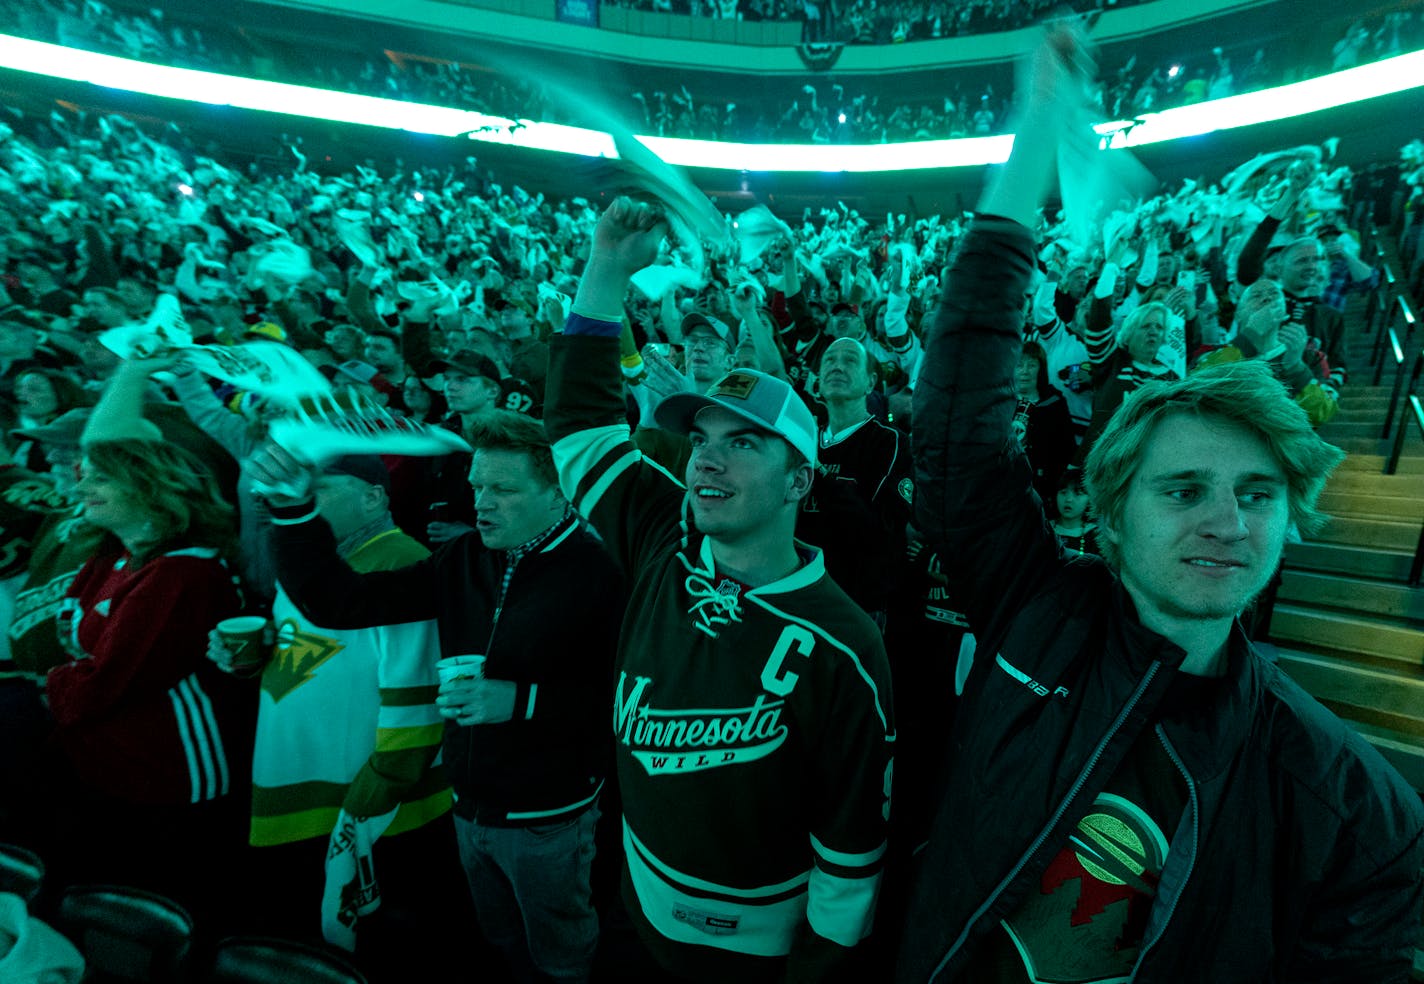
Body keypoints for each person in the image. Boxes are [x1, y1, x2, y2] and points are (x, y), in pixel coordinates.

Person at [898, 25, 1424, 983]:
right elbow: (957, 421)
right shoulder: (1034, 616)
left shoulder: (1348, 802)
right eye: (1184, 489)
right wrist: (1034, 138)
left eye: (1258, 494)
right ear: (1109, 514)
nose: (1228, 520)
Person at [544, 197, 894, 981]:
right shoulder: (662, 532)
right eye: (700, 439)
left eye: (742, 443)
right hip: (635, 909)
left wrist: (818, 963)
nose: (706, 460)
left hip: (761, 954)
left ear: (799, 478)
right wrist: (604, 271)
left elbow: (852, 837)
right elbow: (575, 430)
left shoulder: (846, 641)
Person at [248, 410, 622, 984]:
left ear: (558, 493)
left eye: (503, 489)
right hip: (466, 802)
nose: (483, 503)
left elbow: (630, 703)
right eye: (477, 486)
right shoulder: (464, 557)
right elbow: (340, 604)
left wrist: (522, 701)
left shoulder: (601, 572)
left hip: (550, 814)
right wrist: (294, 512)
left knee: (560, 949)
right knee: (499, 939)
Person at [207, 455, 451, 969]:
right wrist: (252, 657)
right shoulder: (313, 559)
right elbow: (310, 653)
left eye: (323, 489)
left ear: (374, 497)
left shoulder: (400, 560)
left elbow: (418, 691)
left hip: (361, 800)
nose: (305, 501)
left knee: (372, 941)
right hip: (297, 778)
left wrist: (379, 790)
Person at [798, 336, 913, 622]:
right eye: (829, 361)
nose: (837, 367)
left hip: (856, 606)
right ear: (818, 381)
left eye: (850, 360)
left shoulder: (892, 443)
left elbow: (879, 532)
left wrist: (817, 473)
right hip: (796, 594)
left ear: (871, 382)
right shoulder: (802, 440)